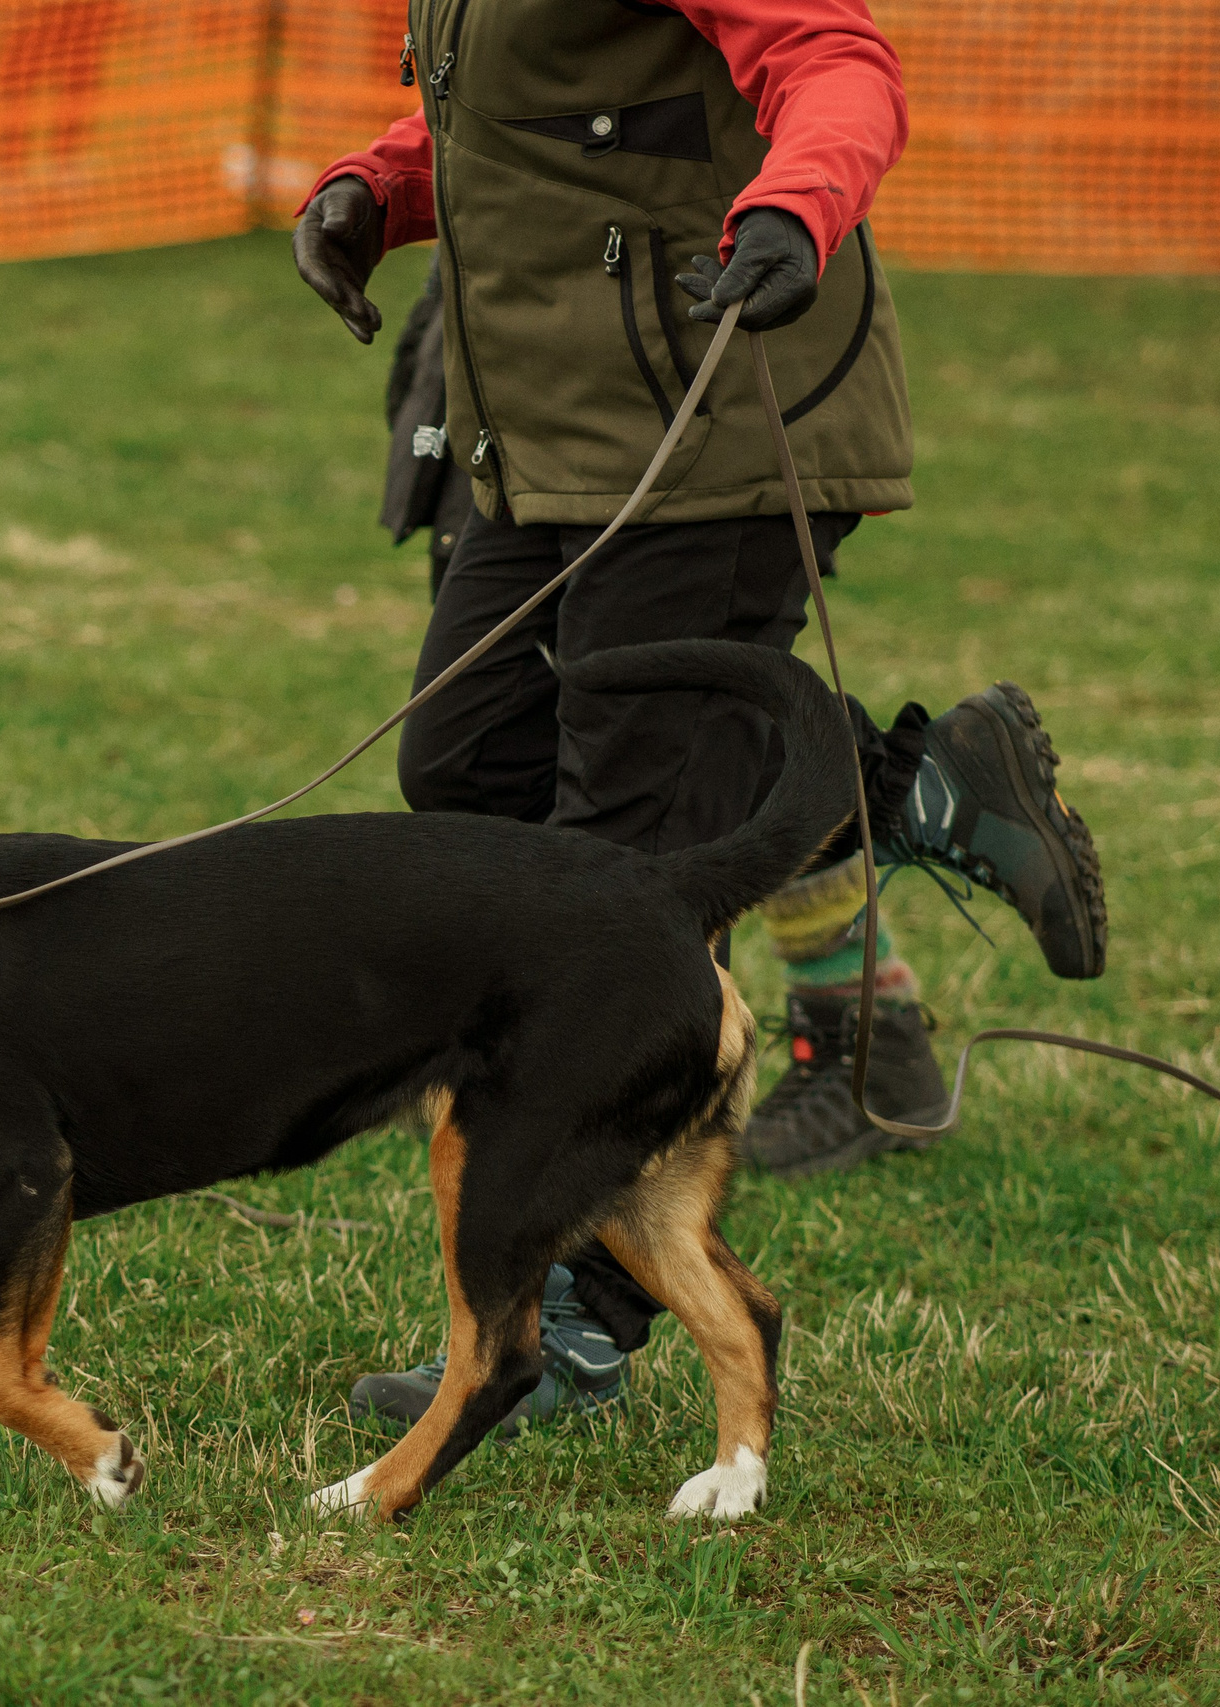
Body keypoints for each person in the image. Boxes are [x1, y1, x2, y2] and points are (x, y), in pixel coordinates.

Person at [296, 0, 1108, 1437]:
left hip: (719, 415)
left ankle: (583, 1317)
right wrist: (376, 189)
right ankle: (921, 790)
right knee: (465, 763)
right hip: (548, 431)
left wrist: (797, 206)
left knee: (622, 854)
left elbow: (837, 64)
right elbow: (522, 109)